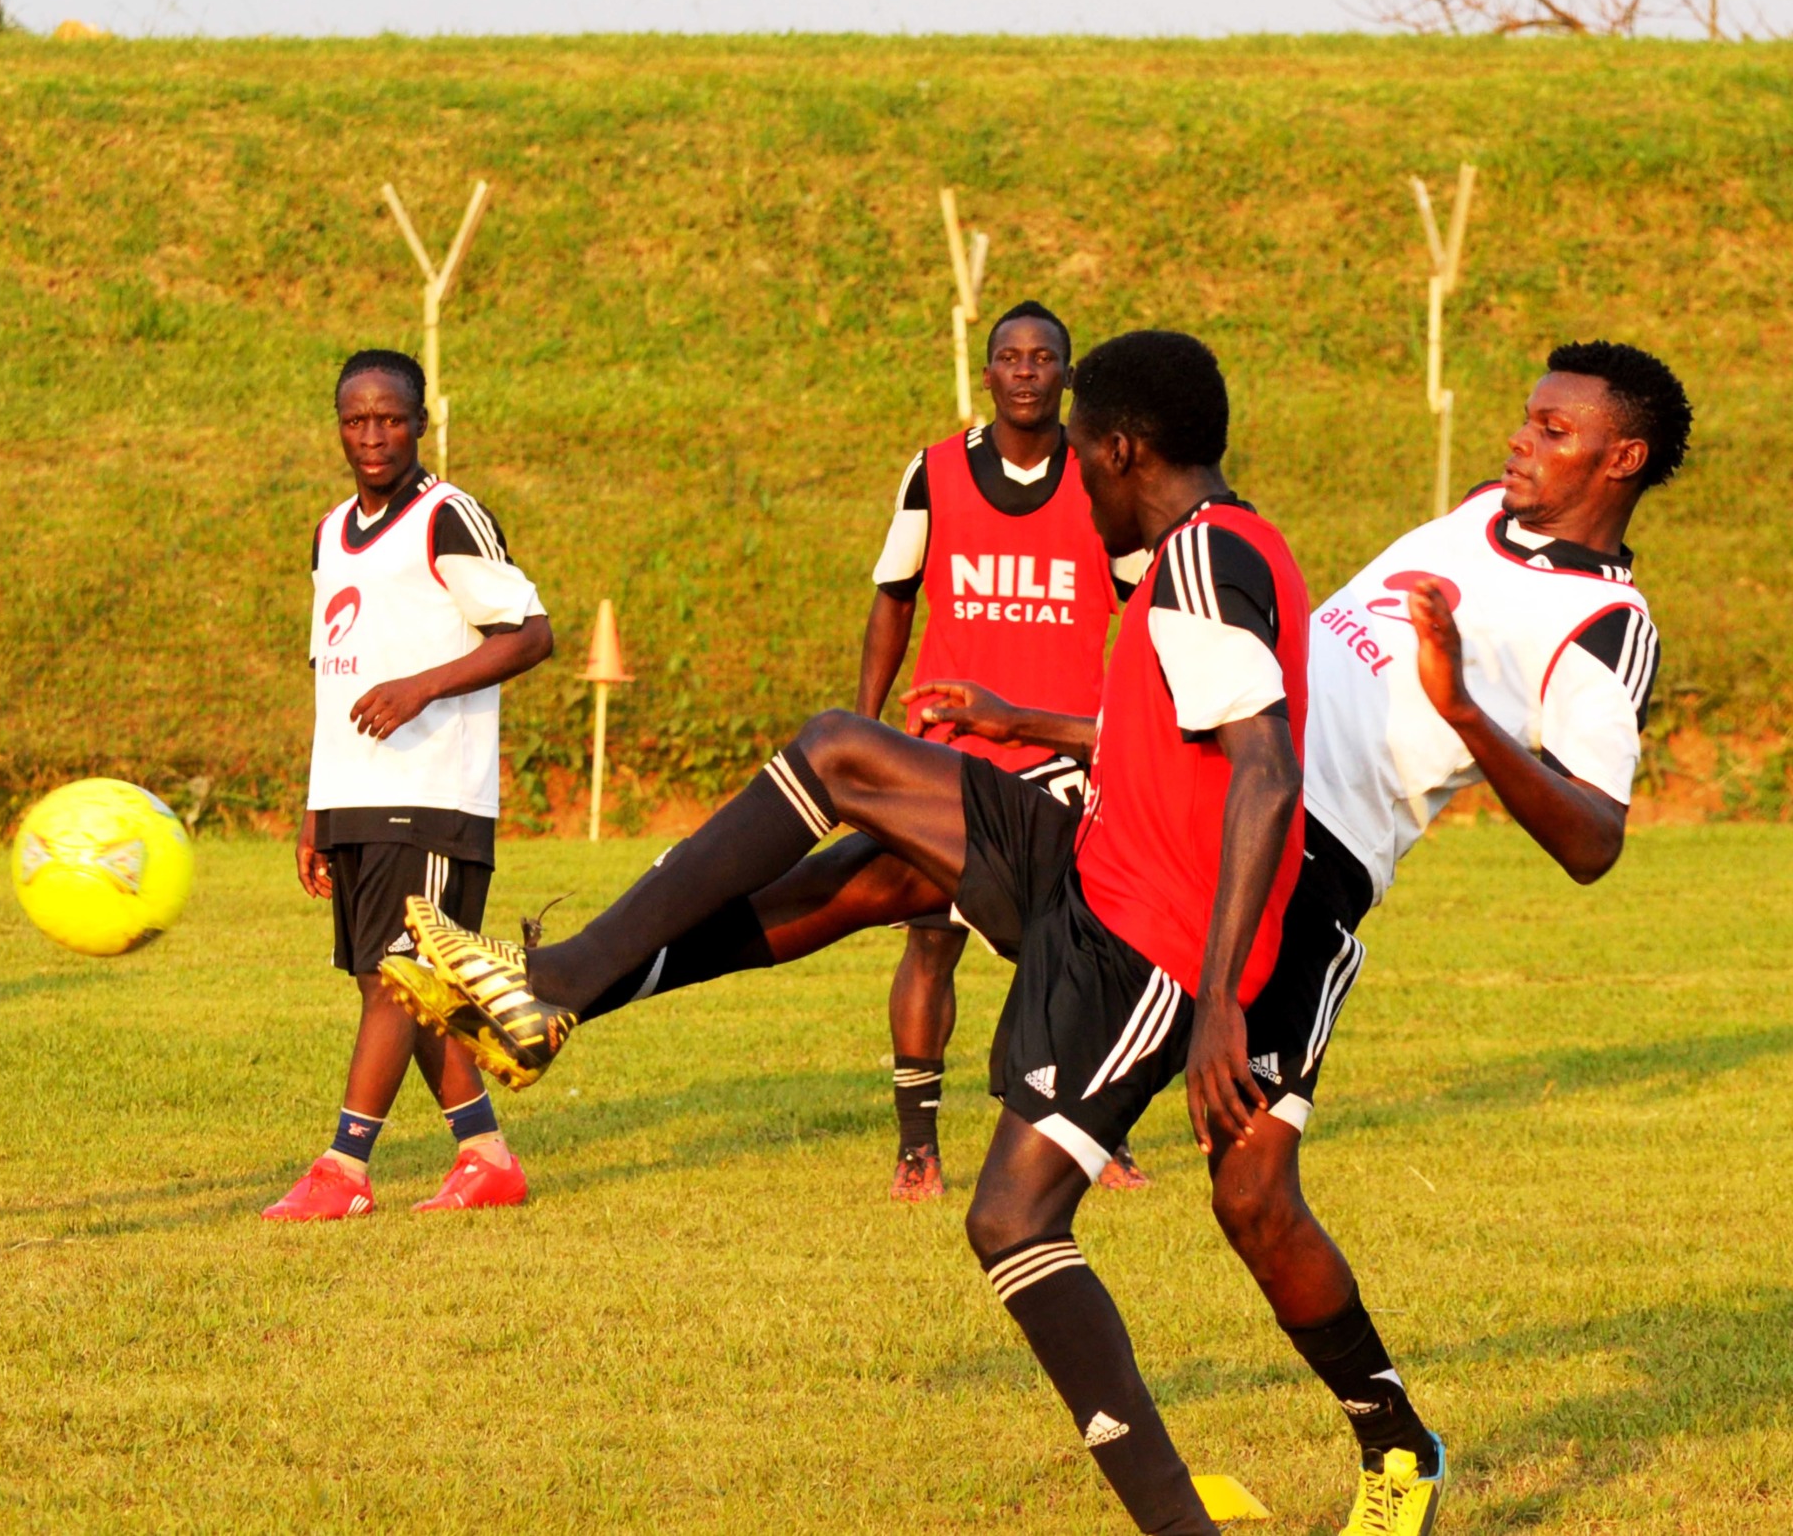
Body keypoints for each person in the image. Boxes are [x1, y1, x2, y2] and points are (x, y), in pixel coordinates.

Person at [387, 340, 1689, 1536]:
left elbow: (1590, 838)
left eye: (1555, 428)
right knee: (874, 847)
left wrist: (1463, 709)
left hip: (1289, 889)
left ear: (1620, 459)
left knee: (1247, 1197)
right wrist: (1049, 724)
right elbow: (1239, 701)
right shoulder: (1471, 516)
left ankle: (1393, 1443)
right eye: (1526, 416)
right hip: (1163, 815)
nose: (1523, 441)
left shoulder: (1601, 627)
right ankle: (550, 990)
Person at [395, 331, 1308, 1534]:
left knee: (1012, 1221)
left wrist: (1225, 1002)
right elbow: (1162, 736)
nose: (1073, 475)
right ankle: (559, 988)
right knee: (856, 829)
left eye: (1083, 450)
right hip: (1092, 853)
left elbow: (1265, 767)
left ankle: (561, 986)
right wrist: (1011, 713)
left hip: (1139, 924)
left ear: (1123, 447)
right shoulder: (1203, 552)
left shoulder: (1202, 564)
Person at [854, 299, 1142, 1201]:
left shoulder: (1103, 479)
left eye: (1043, 357)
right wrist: (866, 733)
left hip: (1064, 760)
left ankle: (1098, 1134)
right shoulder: (935, 472)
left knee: (1080, 953)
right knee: (931, 945)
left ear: (1067, 373)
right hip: (950, 755)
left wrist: (1130, 733)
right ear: (988, 373)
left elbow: (1147, 610)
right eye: (1009, 357)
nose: (1025, 370)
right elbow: (894, 596)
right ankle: (917, 1148)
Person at [262, 349, 555, 1221]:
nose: (373, 435)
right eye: (357, 420)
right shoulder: (328, 532)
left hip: (433, 793)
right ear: (339, 427)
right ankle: (486, 1155)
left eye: (390, 418)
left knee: (402, 974)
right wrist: (317, 809)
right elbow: (332, 673)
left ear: (421, 422)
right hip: (354, 791)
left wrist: (423, 684)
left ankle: (344, 1168)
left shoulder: (448, 517)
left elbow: (530, 633)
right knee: (393, 982)